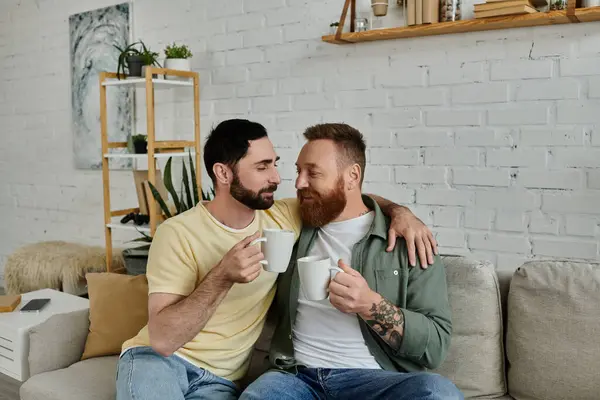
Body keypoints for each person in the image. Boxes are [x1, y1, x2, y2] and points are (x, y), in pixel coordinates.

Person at [115, 119, 438, 400]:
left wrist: (400, 212)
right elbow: (162, 340)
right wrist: (223, 275)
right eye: (262, 167)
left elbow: (343, 194)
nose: (279, 178)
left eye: (275, 163)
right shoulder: (178, 233)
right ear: (223, 173)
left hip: (221, 381)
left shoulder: (282, 216)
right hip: (158, 360)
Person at [240, 123, 463, 400]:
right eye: (299, 171)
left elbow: (435, 347)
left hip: (376, 380)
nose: (299, 183)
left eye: (313, 172)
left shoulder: (409, 243)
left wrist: (371, 305)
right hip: (297, 377)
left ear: (352, 176)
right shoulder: (291, 227)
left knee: (439, 393)